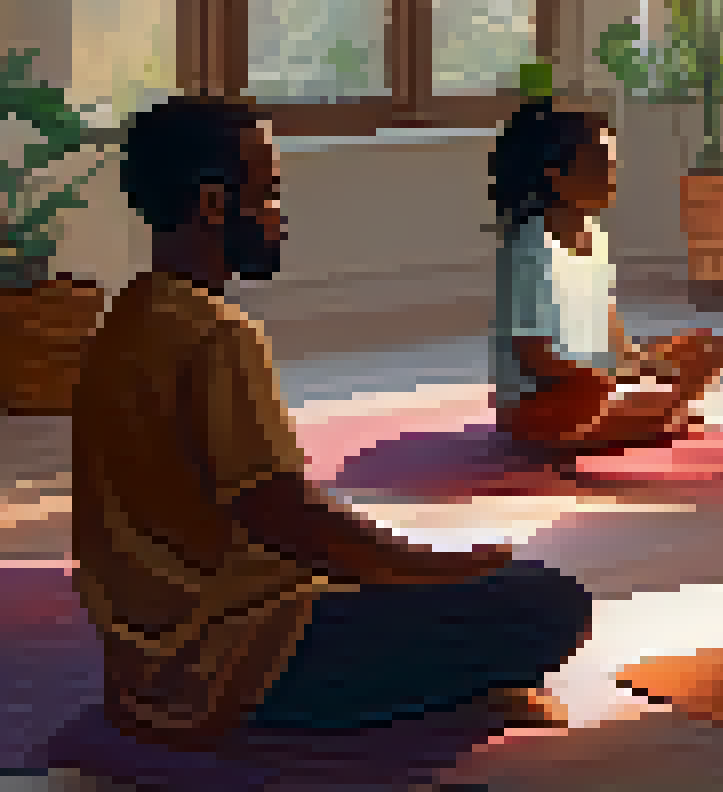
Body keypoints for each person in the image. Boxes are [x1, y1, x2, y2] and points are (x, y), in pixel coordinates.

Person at [73, 96, 591, 749]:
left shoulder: (121, 323)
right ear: (211, 206)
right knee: (548, 601)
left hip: (144, 667)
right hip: (250, 659)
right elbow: (291, 520)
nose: (280, 219)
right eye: (268, 196)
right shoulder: (218, 338)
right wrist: (434, 565)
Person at [488, 99, 723, 457]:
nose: (612, 174)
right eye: (600, 163)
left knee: (704, 349)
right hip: (545, 398)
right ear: (557, 175)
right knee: (592, 390)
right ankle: (633, 422)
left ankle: (639, 420)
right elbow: (534, 361)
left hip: (598, 383)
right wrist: (610, 379)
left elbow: (615, 344)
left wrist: (657, 365)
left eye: (612, 162)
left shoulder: (595, 237)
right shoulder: (530, 250)